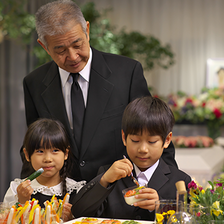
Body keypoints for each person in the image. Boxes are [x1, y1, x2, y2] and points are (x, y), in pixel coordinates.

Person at [21, 0, 177, 183]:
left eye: (77, 44)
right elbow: (34, 144)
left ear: (87, 30)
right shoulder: (35, 83)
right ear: (44, 46)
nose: (72, 56)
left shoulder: (126, 73)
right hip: (62, 198)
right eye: (60, 50)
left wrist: (167, 190)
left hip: (119, 194)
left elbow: (155, 131)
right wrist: (27, 191)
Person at [71, 96, 192, 221]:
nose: (143, 149)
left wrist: (161, 207)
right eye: (135, 140)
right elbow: (78, 212)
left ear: (167, 140)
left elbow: (190, 219)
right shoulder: (110, 175)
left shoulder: (180, 181)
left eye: (151, 141)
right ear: (124, 138)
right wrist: (104, 180)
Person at [4, 118, 86, 222]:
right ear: (27, 155)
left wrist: (72, 218)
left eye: (55, 150)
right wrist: (21, 202)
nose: (48, 159)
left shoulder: (77, 191)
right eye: (40, 151)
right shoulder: (16, 189)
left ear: (66, 154)